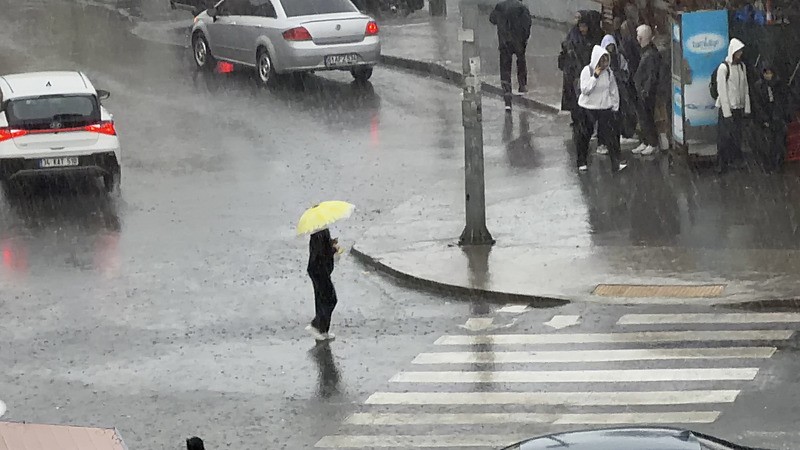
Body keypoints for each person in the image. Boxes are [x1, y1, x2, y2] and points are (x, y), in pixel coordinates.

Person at [574, 45, 628, 173]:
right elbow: (585, 90)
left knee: (612, 136)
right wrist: (595, 77)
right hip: (588, 107)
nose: (604, 64)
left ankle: (616, 162)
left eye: (606, 60)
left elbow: (613, 90)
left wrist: (615, 106)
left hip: (605, 107)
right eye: (602, 60)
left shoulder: (609, 73)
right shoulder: (587, 71)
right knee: (585, 135)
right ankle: (582, 161)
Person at [489, 0, 532, 111]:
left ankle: (507, 94)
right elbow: (528, 24)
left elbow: (492, 19)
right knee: (521, 61)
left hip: (504, 42)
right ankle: (522, 85)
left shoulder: (500, 6)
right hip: (519, 41)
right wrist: (524, 38)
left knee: (505, 68)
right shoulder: (522, 8)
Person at [716, 38, 751, 173]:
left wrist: (746, 107)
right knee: (724, 138)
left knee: (736, 136)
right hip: (728, 108)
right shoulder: (724, 68)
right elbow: (722, 91)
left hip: (738, 108)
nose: (740, 54)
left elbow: (745, 87)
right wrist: (727, 112)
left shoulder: (742, 67)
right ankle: (722, 163)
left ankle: (733, 160)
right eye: (738, 51)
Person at [596, 34, 635, 155]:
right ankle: (602, 142)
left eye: (612, 47)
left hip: (618, 90)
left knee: (617, 116)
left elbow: (625, 70)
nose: (610, 49)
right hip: (605, 92)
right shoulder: (600, 58)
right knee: (604, 119)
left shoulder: (619, 57)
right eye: (608, 47)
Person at [751, 60, 789, 172]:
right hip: (767, 118)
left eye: (770, 73)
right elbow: (757, 105)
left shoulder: (778, 85)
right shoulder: (758, 87)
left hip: (777, 116)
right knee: (768, 143)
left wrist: (782, 115)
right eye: (766, 73)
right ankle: (770, 164)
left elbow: (783, 101)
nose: (768, 76)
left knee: (779, 141)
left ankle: (777, 163)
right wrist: (764, 118)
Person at [632, 24, 662, 156]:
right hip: (642, 90)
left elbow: (651, 75)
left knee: (647, 117)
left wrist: (646, 90)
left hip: (646, 92)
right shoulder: (647, 52)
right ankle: (645, 140)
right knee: (642, 118)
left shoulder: (650, 54)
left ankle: (652, 143)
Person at [306, 228, 339, 340]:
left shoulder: (321, 229)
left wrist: (330, 242)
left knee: (323, 299)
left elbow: (322, 246)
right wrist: (333, 249)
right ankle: (315, 325)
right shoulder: (318, 231)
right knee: (330, 299)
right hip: (319, 270)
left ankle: (323, 330)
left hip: (320, 269)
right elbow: (321, 252)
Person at [559, 13, 594, 122]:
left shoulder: (590, 39)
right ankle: (576, 118)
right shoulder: (573, 37)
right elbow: (566, 50)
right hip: (573, 72)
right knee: (574, 97)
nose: (583, 29)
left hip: (583, 72)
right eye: (581, 26)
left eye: (585, 26)